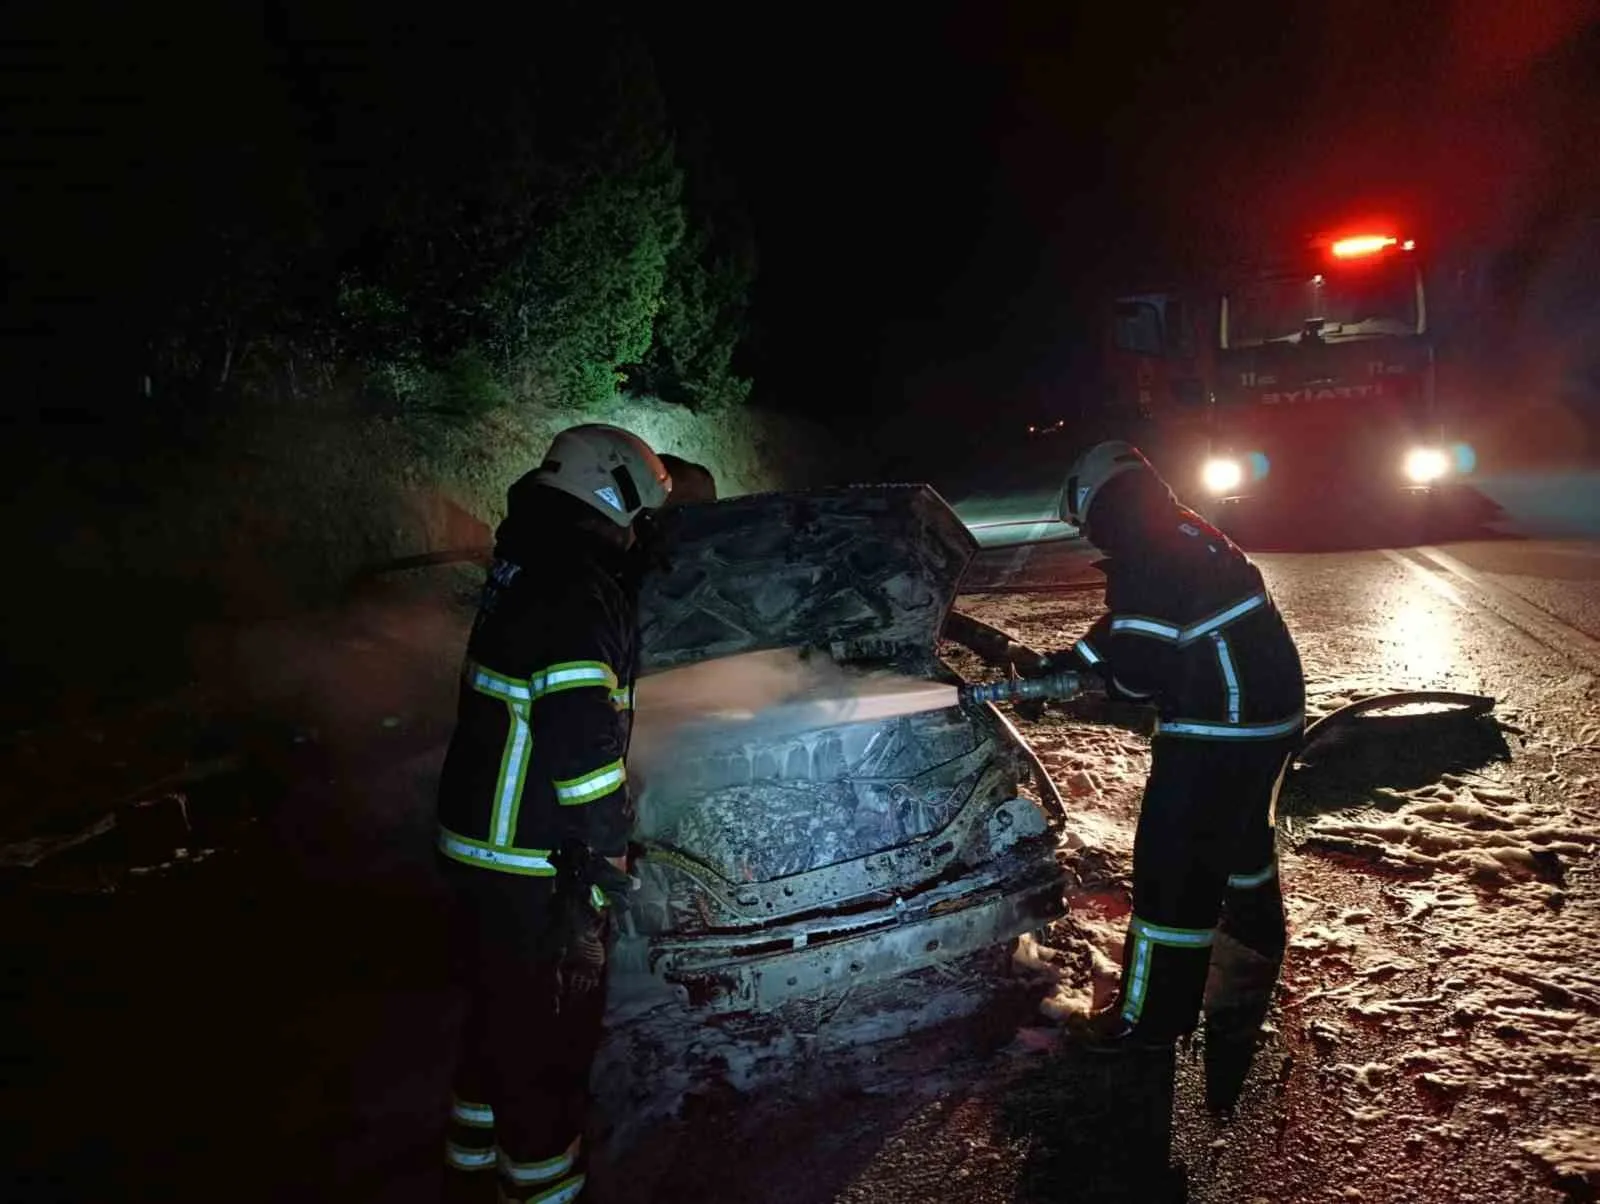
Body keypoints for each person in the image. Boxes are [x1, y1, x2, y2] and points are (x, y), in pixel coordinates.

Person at [435, 423, 671, 1202]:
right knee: (544, 1054)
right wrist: (611, 853)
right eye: (638, 513)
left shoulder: (527, 563)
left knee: (494, 1026)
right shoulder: (576, 584)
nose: (640, 532)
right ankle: (541, 1191)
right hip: (533, 864)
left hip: (476, 850)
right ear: (614, 492)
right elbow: (581, 742)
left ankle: (471, 1168)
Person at [1039, 440, 1304, 1051]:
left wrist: (1079, 682)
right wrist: (1066, 662)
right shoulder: (1177, 531)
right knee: (1239, 835)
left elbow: (1135, 674)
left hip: (1220, 729)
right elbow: (1129, 630)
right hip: (1267, 720)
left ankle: (1149, 1021)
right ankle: (1256, 933)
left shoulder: (1149, 557)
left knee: (1172, 875)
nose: (1089, 538)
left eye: (1085, 525)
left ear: (1098, 504)